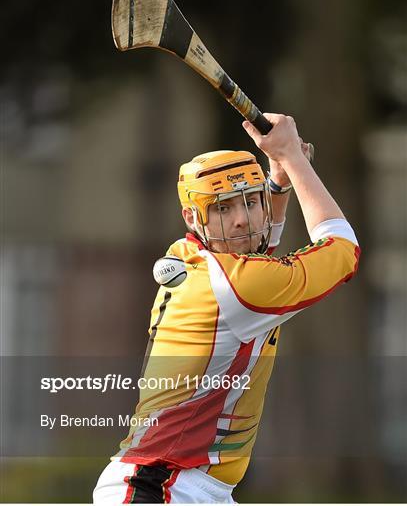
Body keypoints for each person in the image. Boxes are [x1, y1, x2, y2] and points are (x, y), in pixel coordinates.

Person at [93, 113, 360, 504]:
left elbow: (257, 258)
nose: (241, 220)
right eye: (222, 208)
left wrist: (279, 183)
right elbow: (343, 250)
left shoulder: (191, 254)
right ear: (193, 217)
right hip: (160, 487)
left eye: (252, 202)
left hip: (190, 486)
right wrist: (294, 158)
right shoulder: (234, 285)